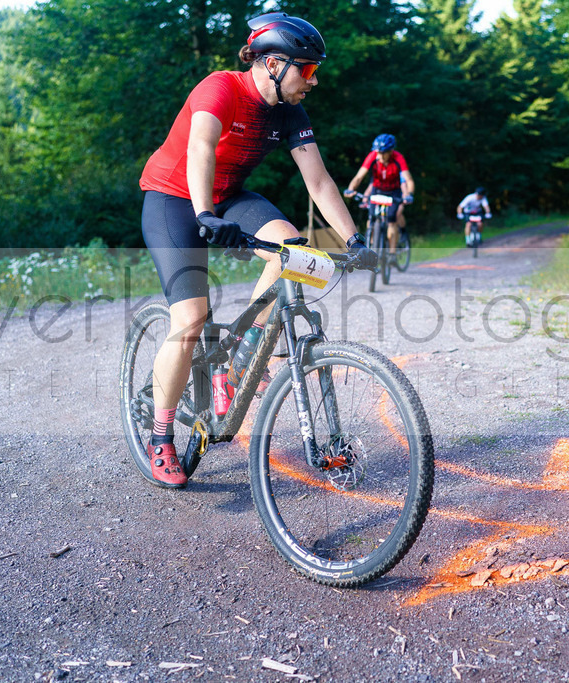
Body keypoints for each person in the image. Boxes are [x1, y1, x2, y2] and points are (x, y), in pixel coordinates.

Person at [138, 12, 376, 488]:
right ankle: (160, 436)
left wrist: (354, 239)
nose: (314, 80)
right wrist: (206, 215)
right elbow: (201, 148)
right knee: (190, 319)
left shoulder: (290, 113)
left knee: (296, 251)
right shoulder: (220, 88)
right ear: (272, 63)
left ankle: (238, 363)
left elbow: (319, 181)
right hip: (173, 198)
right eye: (306, 69)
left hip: (228, 196)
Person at [343, 134, 414, 260]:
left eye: (383, 153)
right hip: (377, 190)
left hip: (393, 192)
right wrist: (351, 189)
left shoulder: (398, 158)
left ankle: (392, 253)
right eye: (378, 153)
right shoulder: (373, 156)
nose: (379, 156)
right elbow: (359, 176)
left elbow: (408, 180)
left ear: (391, 151)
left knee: (392, 220)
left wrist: (409, 195)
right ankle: (370, 243)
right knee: (371, 217)